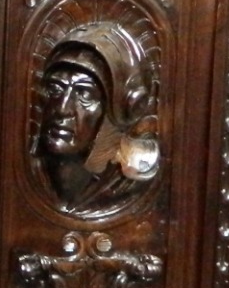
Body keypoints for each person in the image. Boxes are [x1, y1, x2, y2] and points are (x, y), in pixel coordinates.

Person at [37, 21, 159, 211]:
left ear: (117, 108)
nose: (62, 109)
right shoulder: (28, 178)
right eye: (55, 89)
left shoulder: (121, 192)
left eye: (85, 95)